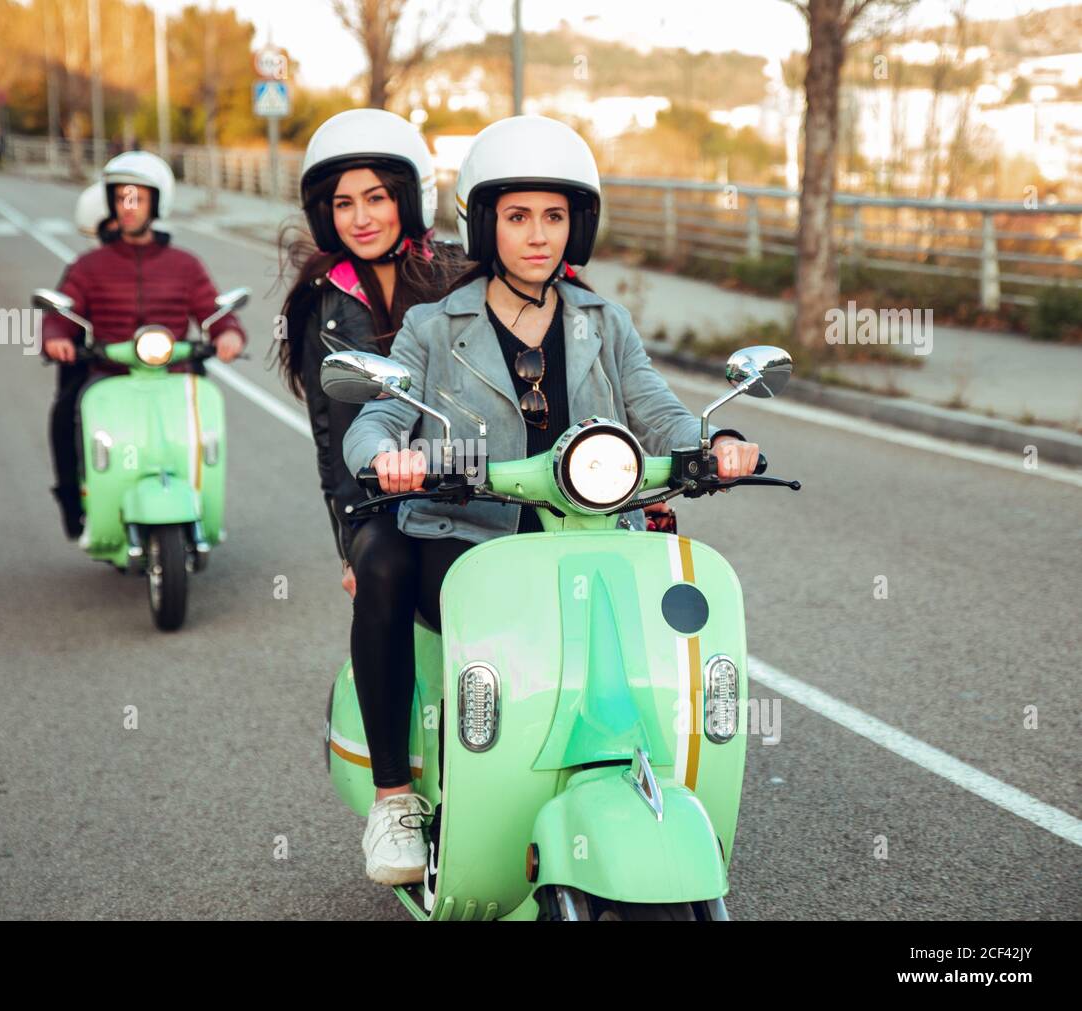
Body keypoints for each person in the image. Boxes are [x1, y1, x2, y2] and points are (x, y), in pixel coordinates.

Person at [341, 115, 761, 894]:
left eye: (555, 215)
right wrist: (385, 456)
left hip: (594, 524)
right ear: (485, 222)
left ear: (579, 224)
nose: (539, 235)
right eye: (518, 215)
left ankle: (631, 775)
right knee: (382, 560)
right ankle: (396, 797)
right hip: (469, 534)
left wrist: (720, 439)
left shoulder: (605, 322)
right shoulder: (434, 327)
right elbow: (377, 417)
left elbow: (659, 411)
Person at [275, 108, 465, 885]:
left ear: (407, 199)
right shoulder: (326, 299)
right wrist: (350, 540)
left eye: (378, 198)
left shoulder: (457, 272)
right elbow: (334, 434)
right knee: (386, 571)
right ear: (325, 211)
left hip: (477, 482)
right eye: (345, 203)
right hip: (380, 499)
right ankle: (394, 797)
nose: (361, 217)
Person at [43, 151, 247, 539]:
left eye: (138, 197)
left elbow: (212, 309)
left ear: (157, 203)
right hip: (109, 373)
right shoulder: (88, 266)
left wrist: (228, 332)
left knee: (203, 431)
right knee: (66, 414)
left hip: (174, 373)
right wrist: (55, 338)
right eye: (121, 198)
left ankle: (203, 502)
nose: (129, 207)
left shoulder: (184, 264)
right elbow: (62, 313)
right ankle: (76, 503)